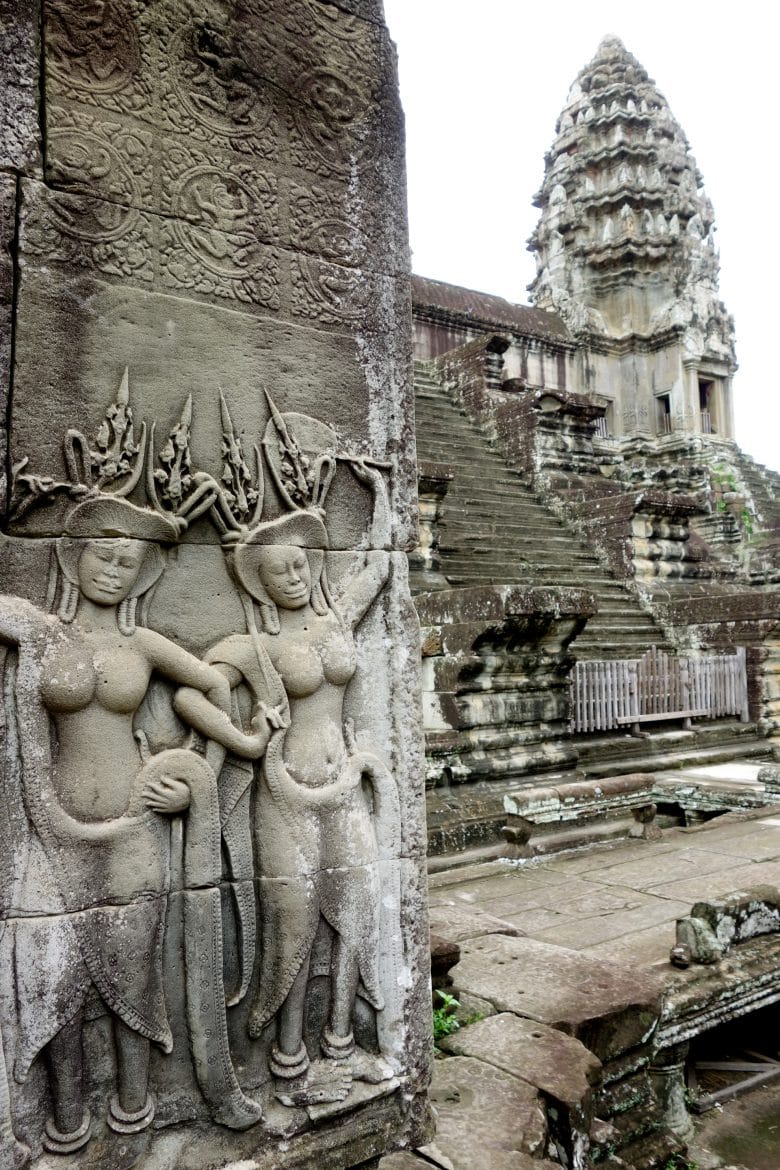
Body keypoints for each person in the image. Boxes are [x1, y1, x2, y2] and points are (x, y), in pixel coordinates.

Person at [0, 495, 267, 1154]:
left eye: (129, 562)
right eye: (103, 556)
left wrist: (197, 767)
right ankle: (65, 1124)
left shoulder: (142, 642)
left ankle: (134, 1111)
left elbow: (211, 686)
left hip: (135, 821)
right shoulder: (41, 632)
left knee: (132, 976)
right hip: (51, 825)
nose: (114, 571)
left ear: (143, 575)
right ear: (74, 555)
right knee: (54, 979)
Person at [175, 461, 399, 1106]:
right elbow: (193, 692)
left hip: (341, 783)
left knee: (354, 905)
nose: (297, 577)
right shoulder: (252, 646)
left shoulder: (335, 623)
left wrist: (381, 490)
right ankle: (289, 1055)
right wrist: (244, 738)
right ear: (263, 585)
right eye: (281, 571)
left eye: (302, 564)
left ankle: (341, 1043)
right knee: (294, 919)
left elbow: (379, 566)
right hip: (284, 790)